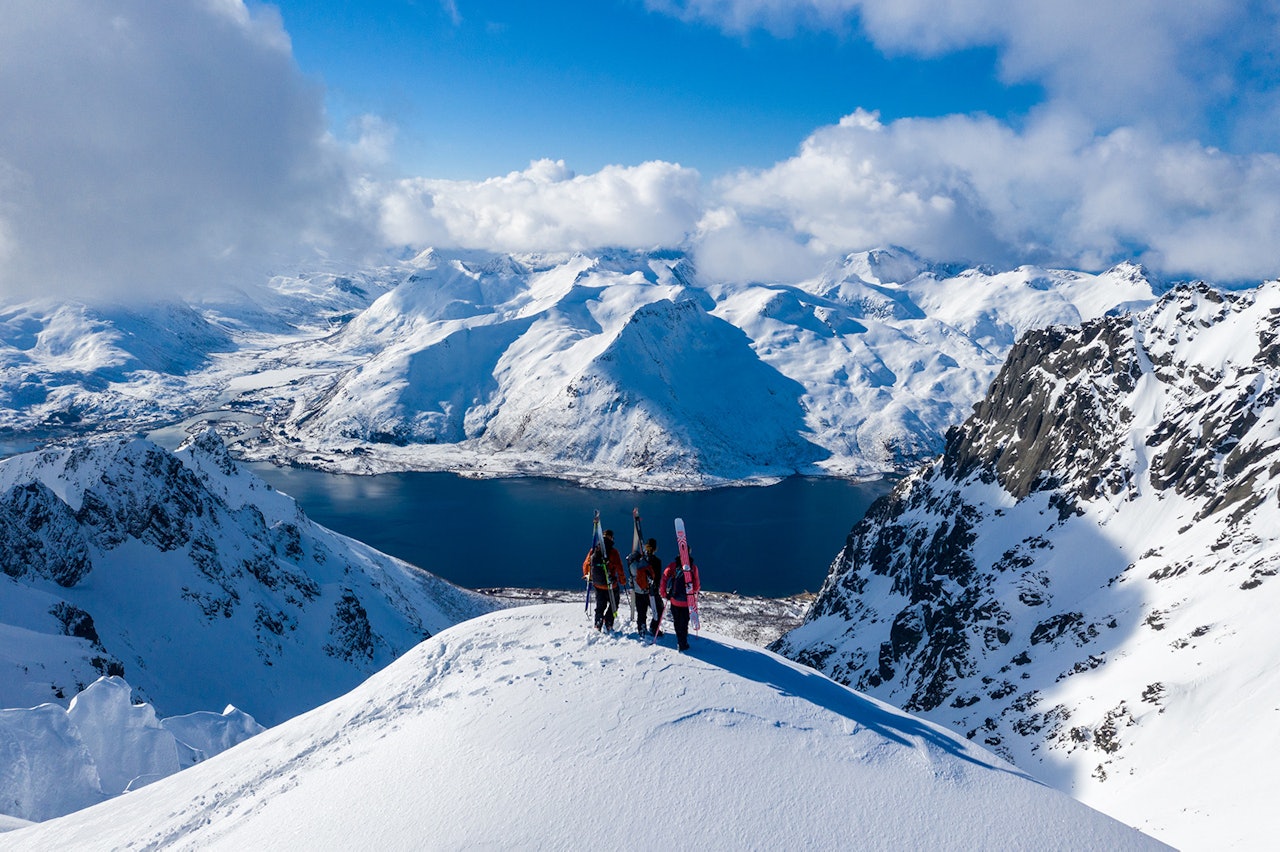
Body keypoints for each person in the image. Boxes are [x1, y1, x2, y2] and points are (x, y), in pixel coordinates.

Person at [583, 528, 627, 631]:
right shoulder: (613, 552)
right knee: (614, 603)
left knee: (600, 604)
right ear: (611, 538)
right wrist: (623, 581)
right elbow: (619, 568)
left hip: (597, 583)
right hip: (610, 584)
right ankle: (608, 622)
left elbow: (586, 564)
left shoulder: (594, 550)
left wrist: (588, 576)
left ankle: (598, 621)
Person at [660, 550, 701, 651]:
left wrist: (664, 593)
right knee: (684, 622)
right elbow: (696, 586)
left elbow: (664, 578)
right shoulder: (693, 567)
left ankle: (680, 639)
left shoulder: (673, 565)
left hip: (675, 599)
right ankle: (683, 642)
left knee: (677, 621)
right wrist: (692, 593)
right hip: (687, 602)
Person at [632, 538, 664, 636]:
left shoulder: (639, 559)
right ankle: (654, 628)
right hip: (650, 592)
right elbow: (657, 578)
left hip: (638, 590)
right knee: (659, 609)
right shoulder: (656, 561)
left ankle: (641, 629)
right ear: (655, 548)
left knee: (641, 612)